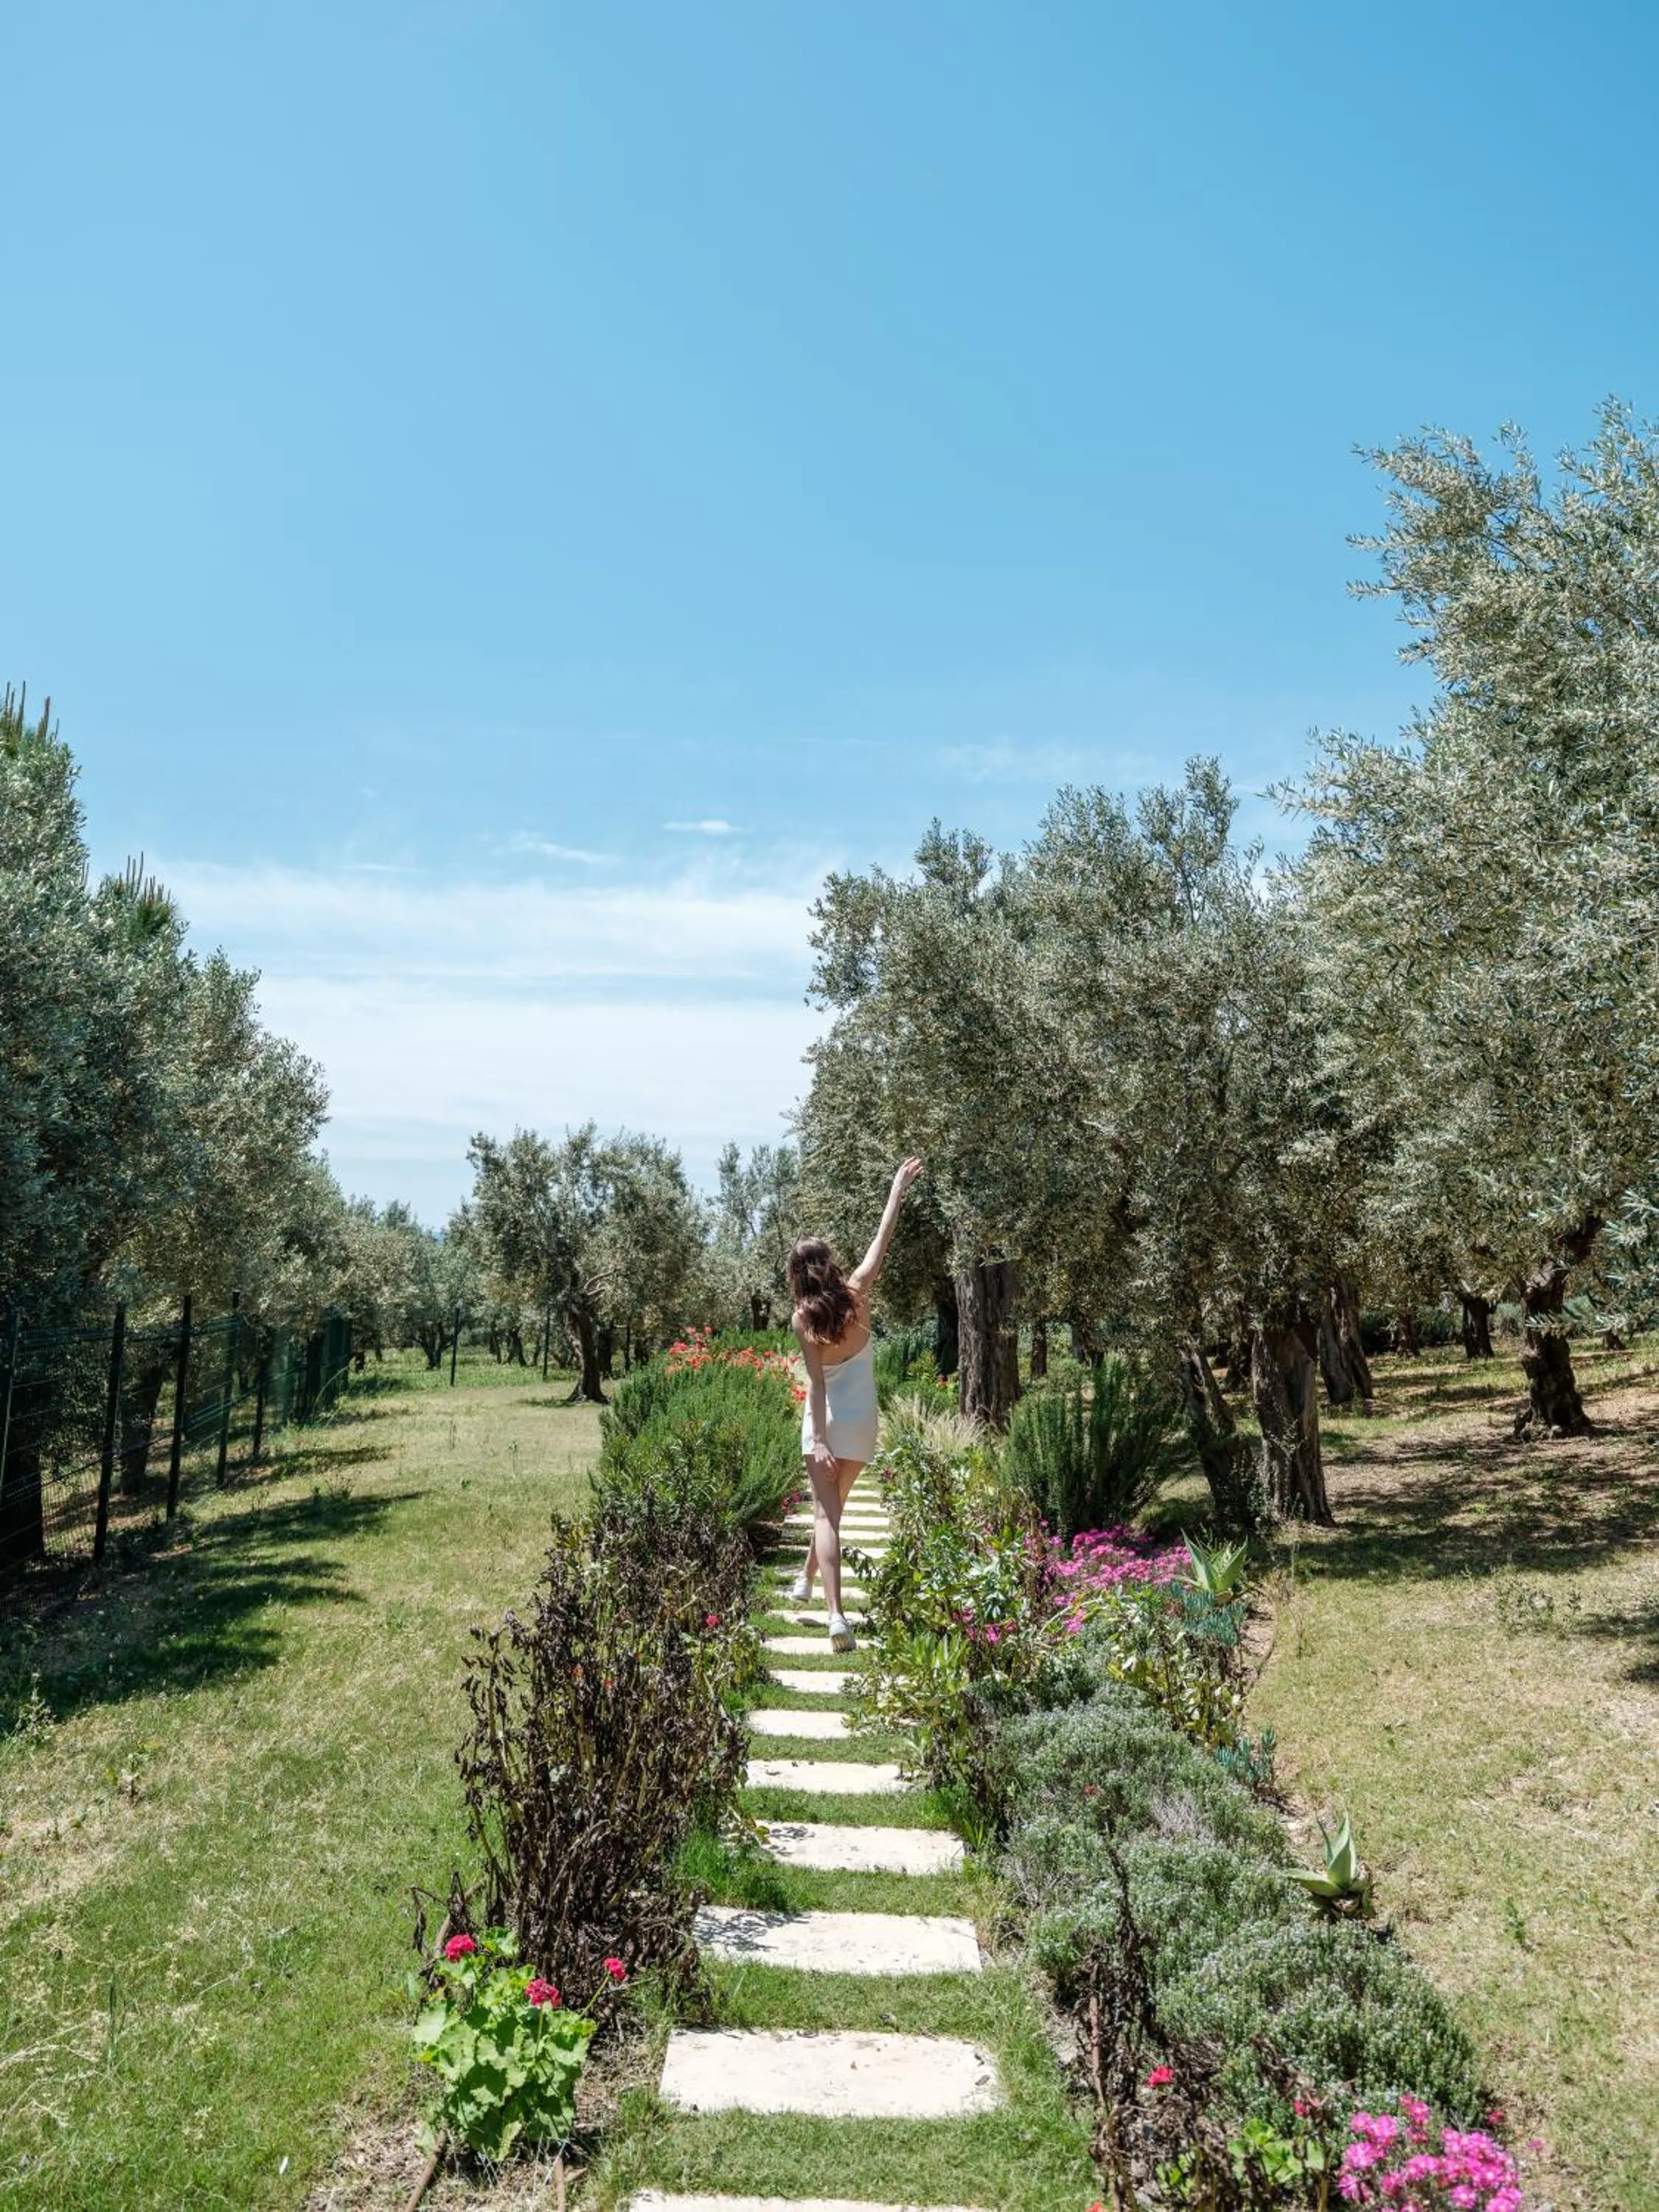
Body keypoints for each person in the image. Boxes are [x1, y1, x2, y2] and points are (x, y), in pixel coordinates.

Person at [788, 1157, 924, 1652]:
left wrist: (820, 1439)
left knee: (826, 1516)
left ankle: (836, 1616)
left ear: (796, 1275)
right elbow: (881, 1241)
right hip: (863, 1421)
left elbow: (816, 1383)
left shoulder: (803, 1320)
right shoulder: (857, 1294)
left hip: (826, 1420)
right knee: (835, 1509)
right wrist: (896, 1189)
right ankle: (805, 1584)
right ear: (828, 1264)